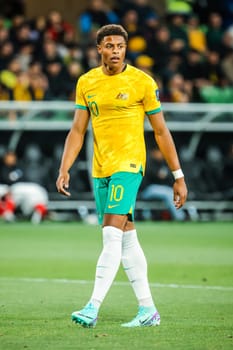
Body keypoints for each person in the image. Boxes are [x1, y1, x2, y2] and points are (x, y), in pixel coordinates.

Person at [56, 24, 188, 328]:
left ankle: (93, 306)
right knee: (127, 235)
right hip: (101, 167)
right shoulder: (86, 82)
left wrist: (178, 175)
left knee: (110, 232)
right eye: (110, 46)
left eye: (120, 46)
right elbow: (77, 129)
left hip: (129, 165)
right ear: (99, 49)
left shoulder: (142, 82)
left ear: (125, 49)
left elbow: (160, 130)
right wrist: (64, 168)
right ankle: (148, 310)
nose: (115, 51)